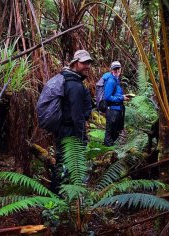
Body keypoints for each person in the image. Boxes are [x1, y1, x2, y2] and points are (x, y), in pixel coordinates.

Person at [50, 49, 93, 192]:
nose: (87, 66)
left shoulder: (68, 80)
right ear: (75, 63)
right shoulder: (74, 85)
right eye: (84, 63)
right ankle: (58, 196)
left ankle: (60, 193)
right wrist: (82, 137)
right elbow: (77, 115)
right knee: (65, 162)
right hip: (70, 131)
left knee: (62, 160)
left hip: (63, 128)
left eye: (89, 63)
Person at [102, 61, 130, 146]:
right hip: (112, 110)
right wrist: (121, 98)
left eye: (118, 68)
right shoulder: (111, 81)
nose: (117, 70)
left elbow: (115, 94)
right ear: (111, 70)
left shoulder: (116, 80)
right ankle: (108, 150)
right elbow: (107, 97)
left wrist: (123, 96)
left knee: (116, 131)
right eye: (115, 69)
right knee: (110, 133)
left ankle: (111, 151)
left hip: (117, 109)